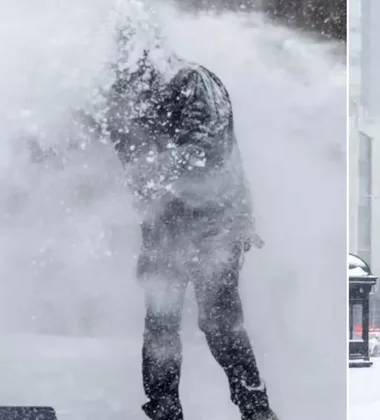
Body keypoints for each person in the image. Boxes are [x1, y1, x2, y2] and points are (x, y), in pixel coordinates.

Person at [95, 4, 277, 420]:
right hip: (164, 225)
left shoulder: (192, 80)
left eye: (131, 45)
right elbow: (123, 154)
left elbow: (204, 147)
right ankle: (163, 409)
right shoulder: (127, 96)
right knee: (160, 320)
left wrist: (156, 174)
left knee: (217, 321)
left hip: (217, 222)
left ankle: (255, 408)